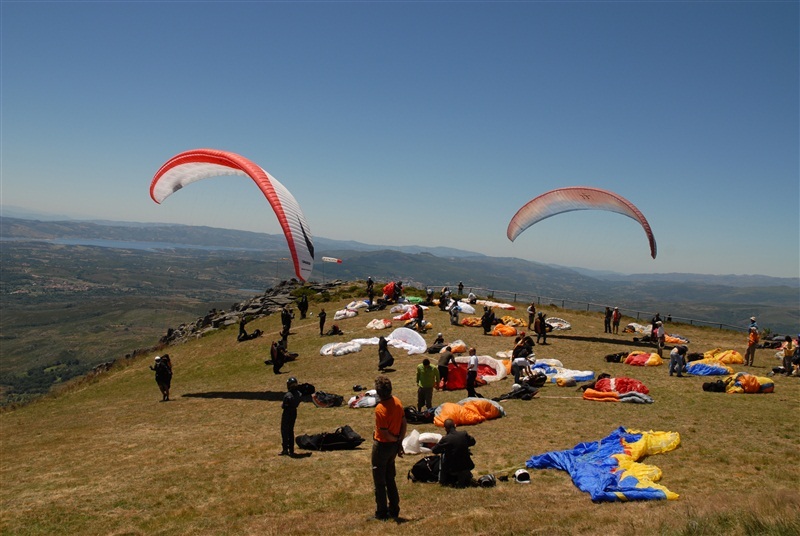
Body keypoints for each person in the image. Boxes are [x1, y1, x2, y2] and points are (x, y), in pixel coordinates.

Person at [371, 375, 406, 521]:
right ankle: (394, 509)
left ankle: (381, 513)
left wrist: (395, 440)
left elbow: (384, 432)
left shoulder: (380, 409)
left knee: (380, 482)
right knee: (390, 478)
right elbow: (404, 423)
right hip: (393, 446)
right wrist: (399, 442)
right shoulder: (397, 402)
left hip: (382, 446)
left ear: (378, 393)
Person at [431, 418, 476, 488]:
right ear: (455, 425)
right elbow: (473, 442)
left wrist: (444, 449)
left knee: (443, 455)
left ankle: (442, 480)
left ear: (445, 428)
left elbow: (434, 450)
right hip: (467, 466)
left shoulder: (445, 439)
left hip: (453, 469)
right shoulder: (463, 434)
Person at [280, 376, 302, 456]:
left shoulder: (288, 395)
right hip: (294, 412)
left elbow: (284, 406)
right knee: (290, 430)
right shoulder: (299, 394)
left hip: (287, 413)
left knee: (284, 430)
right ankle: (291, 450)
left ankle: (285, 449)